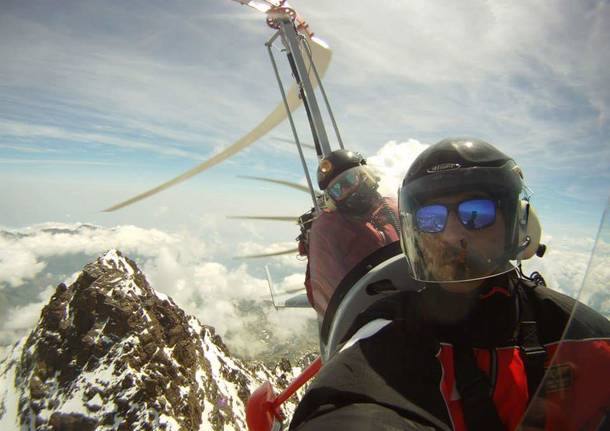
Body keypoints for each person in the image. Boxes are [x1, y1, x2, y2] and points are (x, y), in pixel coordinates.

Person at [290, 138, 610, 430]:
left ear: (517, 223)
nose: (452, 235)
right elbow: (351, 399)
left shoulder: (577, 333)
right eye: (431, 218)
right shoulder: (388, 334)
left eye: (477, 212)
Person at [301, 149, 401, 317]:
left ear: (366, 176)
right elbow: (325, 291)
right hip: (369, 316)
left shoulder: (395, 209)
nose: (346, 191)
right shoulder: (330, 229)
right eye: (337, 190)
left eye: (349, 180)